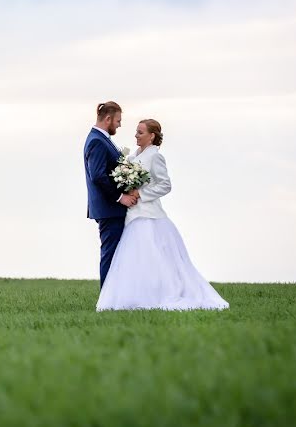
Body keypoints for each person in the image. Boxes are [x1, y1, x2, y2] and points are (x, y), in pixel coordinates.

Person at [96, 119, 229, 311]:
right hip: (132, 214)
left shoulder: (155, 157)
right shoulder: (132, 157)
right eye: (136, 131)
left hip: (149, 215)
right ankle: (136, 295)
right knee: (136, 259)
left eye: (140, 132)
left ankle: (162, 294)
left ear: (152, 136)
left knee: (154, 257)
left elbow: (165, 185)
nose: (136, 135)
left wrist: (140, 193)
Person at [83, 101, 139, 287]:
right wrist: (120, 197)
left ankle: (114, 297)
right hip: (109, 208)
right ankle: (107, 299)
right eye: (118, 120)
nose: (119, 125)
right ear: (108, 119)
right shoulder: (97, 141)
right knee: (111, 254)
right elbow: (98, 175)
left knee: (117, 254)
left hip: (110, 209)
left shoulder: (102, 139)